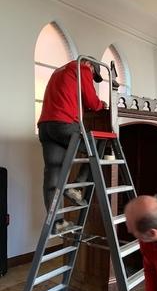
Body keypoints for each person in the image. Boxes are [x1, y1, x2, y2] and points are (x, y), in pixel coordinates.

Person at [38, 57, 106, 233]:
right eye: (93, 74)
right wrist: (102, 104)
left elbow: (68, 96)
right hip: (64, 124)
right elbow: (92, 102)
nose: (91, 76)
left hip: (46, 126)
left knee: (53, 171)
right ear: (90, 65)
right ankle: (76, 186)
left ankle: (57, 222)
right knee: (98, 146)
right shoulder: (82, 68)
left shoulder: (59, 71)